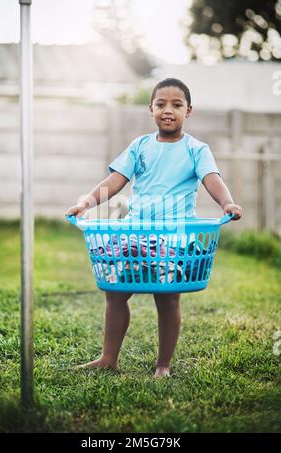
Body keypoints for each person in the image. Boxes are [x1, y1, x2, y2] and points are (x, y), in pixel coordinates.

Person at [66, 78, 243, 378]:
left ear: (189, 110)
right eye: (161, 104)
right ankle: (108, 358)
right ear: (151, 109)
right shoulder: (140, 146)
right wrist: (86, 202)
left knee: (168, 297)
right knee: (116, 293)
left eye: (177, 105)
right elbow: (115, 182)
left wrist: (227, 203)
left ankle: (163, 365)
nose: (168, 110)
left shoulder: (196, 150)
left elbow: (212, 178)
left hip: (174, 238)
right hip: (136, 234)